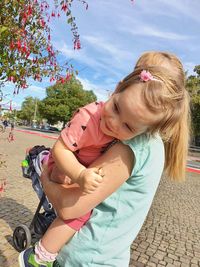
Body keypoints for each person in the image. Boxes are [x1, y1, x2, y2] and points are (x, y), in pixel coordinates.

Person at [19, 51, 190, 267]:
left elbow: (69, 208)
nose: (114, 124)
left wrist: (45, 178)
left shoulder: (135, 144)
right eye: (117, 108)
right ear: (123, 86)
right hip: (103, 254)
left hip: (87, 255)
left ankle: (39, 256)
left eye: (127, 126)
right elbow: (64, 149)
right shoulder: (140, 134)